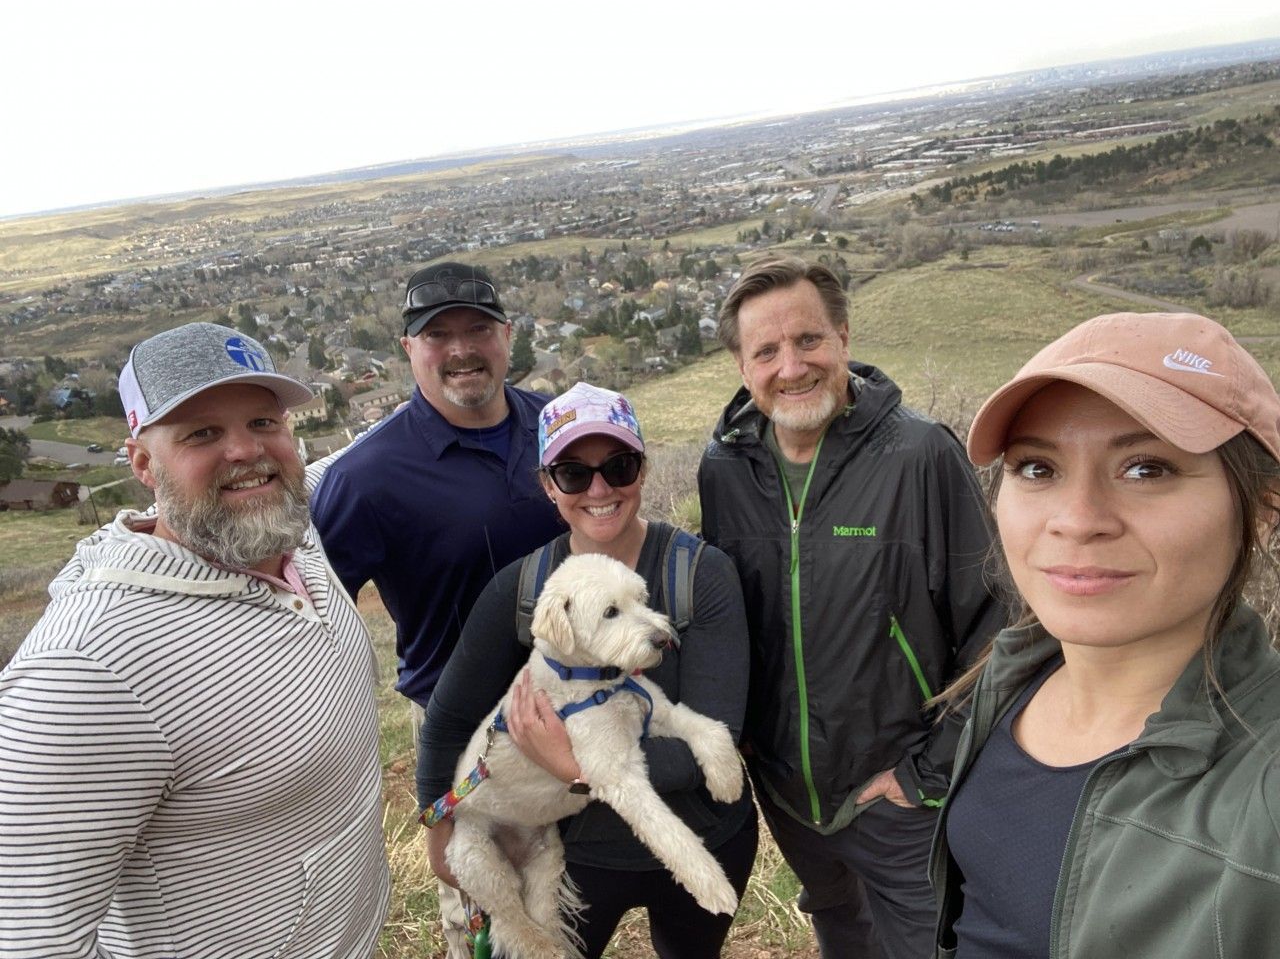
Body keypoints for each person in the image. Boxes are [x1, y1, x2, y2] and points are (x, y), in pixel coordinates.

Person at [0, 322, 389, 959]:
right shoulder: (87, 671)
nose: (246, 451)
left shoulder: (285, 532)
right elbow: (26, 938)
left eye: (264, 422)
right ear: (143, 463)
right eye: (202, 432)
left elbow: (334, 465)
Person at [930, 311, 1280, 959]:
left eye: (1146, 468)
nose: (1077, 519)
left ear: (1261, 509)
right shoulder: (1016, 673)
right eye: (1037, 468)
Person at [698, 254, 1005, 959]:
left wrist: (927, 773)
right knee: (839, 926)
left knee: (927, 945)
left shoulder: (919, 456)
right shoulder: (726, 468)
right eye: (766, 351)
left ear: (842, 336)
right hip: (789, 792)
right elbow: (727, 617)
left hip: (899, 795)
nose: (791, 366)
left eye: (808, 340)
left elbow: (997, 624)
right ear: (743, 367)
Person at [418, 381, 757, 959]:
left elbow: (718, 732)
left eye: (619, 466)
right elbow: (448, 720)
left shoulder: (700, 575)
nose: (599, 489)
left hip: (705, 832)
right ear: (549, 486)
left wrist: (573, 769)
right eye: (574, 473)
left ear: (643, 470)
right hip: (575, 854)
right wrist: (439, 825)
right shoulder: (524, 592)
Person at [308, 262, 560, 957]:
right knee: (492, 918)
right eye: (437, 334)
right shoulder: (367, 477)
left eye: (478, 328)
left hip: (583, 704)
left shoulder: (557, 426)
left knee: (573, 897)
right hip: (467, 729)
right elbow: (313, 613)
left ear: (507, 335)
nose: (461, 349)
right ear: (408, 349)